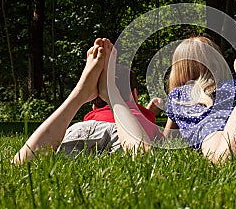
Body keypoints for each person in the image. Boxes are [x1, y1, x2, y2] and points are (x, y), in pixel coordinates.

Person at [100, 2, 236, 162]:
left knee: (226, 157)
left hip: (215, 134)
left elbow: (166, 140)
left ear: (178, 71)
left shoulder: (179, 96)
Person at [13, 40, 162, 164]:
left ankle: (81, 93)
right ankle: (111, 94)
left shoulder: (92, 115)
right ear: (134, 96)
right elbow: (162, 140)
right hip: (124, 133)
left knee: (22, 163)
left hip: (82, 129)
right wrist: (149, 111)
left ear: (93, 104)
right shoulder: (141, 115)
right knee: (145, 160)